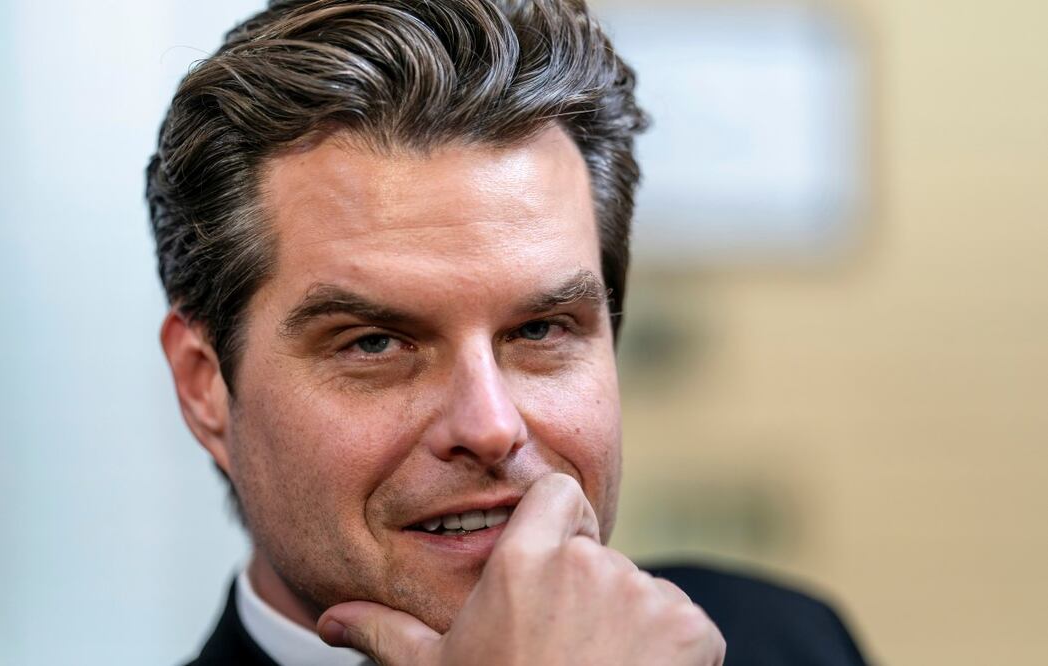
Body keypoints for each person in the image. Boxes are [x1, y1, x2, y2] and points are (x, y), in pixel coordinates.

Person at [146, 1, 869, 664]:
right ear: (205, 385)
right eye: (373, 343)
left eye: (540, 329)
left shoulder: (789, 642)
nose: (490, 427)